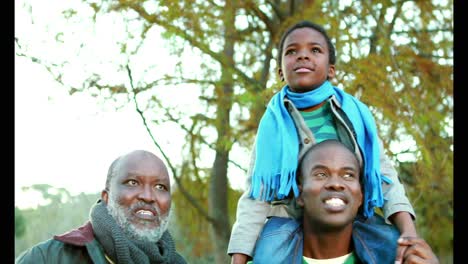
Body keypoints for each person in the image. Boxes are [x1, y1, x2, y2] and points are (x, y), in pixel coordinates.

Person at [228, 20, 417, 264]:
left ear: (331, 70)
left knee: (395, 250)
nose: (303, 56)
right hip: (288, 220)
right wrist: (239, 258)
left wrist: (408, 231)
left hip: (351, 215)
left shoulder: (355, 115)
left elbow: (384, 176)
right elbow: (256, 195)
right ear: (280, 72)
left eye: (315, 50)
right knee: (267, 258)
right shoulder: (272, 127)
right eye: (292, 51)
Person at [251, 140, 439, 264]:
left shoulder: (400, 260)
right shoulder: (264, 258)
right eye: (321, 174)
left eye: (348, 175)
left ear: (361, 196)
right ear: (300, 194)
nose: (335, 184)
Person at [16, 150, 187, 264]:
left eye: (160, 187)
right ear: (106, 197)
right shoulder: (46, 259)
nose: (148, 196)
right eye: (133, 182)